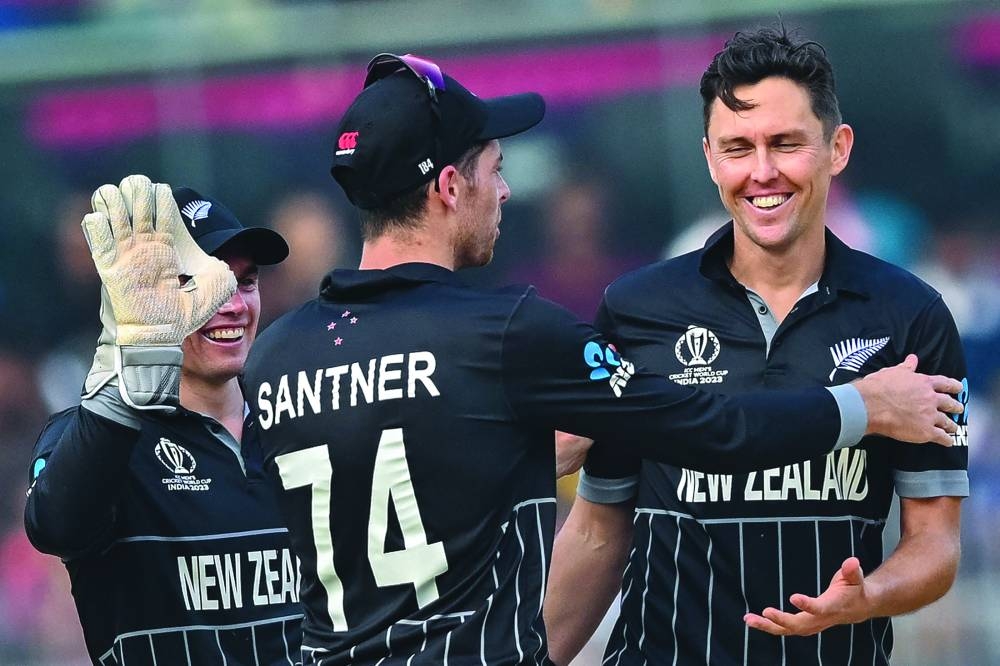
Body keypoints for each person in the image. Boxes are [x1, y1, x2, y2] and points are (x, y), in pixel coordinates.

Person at [241, 53, 963, 665]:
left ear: (836, 147)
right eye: (495, 167)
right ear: (449, 187)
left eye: (785, 142)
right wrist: (862, 406)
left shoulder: (274, 356)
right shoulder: (512, 334)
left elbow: (253, 538)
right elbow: (709, 431)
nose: (508, 189)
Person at [545, 26, 970, 666]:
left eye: (786, 144)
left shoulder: (912, 317)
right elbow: (602, 528)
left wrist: (869, 596)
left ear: (837, 148)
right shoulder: (637, 311)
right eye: (737, 147)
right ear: (711, 158)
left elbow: (936, 543)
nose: (762, 172)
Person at [24, 176, 302, 665]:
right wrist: (135, 364)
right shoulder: (95, 437)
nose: (232, 304)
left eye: (246, 280)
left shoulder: (301, 423)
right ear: (138, 299)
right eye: (192, 283)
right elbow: (54, 527)